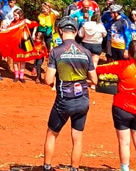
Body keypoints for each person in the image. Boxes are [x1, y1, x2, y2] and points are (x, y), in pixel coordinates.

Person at [42, 17, 97, 171]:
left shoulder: (56, 51)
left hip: (63, 101)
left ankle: (47, 167)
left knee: (52, 134)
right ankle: (74, 168)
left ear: (60, 31)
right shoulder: (86, 52)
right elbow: (94, 79)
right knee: (77, 138)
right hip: (83, 100)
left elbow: (47, 80)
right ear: (75, 31)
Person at [96, 38, 136, 171]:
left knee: (124, 143)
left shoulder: (121, 65)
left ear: (128, 53)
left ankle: (125, 169)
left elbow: (98, 69)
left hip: (122, 108)